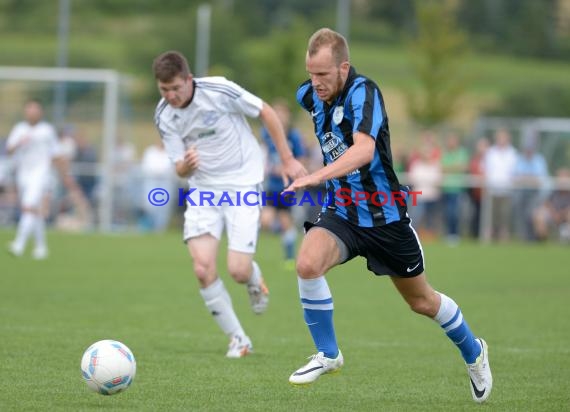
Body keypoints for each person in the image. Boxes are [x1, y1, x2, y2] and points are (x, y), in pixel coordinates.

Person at [283, 28, 492, 403]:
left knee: (422, 302)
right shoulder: (309, 95)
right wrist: (288, 159)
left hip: (386, 219)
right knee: (307, 264)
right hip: (342, 213)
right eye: (311, 74)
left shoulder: (366, 92)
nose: (315, 84)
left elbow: (363, 151)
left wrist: (313, 176)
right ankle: (328, 354)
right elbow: (277, 113)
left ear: (343, 67)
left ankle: (474, 352)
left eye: (324, 75)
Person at [152, 51, 306, 358]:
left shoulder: (218, 90)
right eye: (163, 90)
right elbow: (177, 167)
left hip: (242, 183)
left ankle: (253, 278)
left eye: (175, 89)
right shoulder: (164, 115)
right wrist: (186, 167)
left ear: (188, 79)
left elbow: (266, 112)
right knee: (202, 268)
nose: (170, 96)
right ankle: (238, 339)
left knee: (237, 270)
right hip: (203, 191)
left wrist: (287, 159)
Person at [6, 100, 75, 259]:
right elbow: (8, 149)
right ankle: (41, 248)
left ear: (40, 113)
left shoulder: (47, 130)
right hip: (23, 174)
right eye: (30, 110)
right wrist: (18, 143)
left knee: (28, 207)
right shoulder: (19, 129)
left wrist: (65, 174)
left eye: (35, 110)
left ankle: (19, 244)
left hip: (41, 174)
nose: (32, 113)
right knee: (34, 211)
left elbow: (56, 154)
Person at [260, 99, 307, 266]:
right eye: (276, 114)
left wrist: (293, 172)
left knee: (285, 220)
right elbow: (264, 153)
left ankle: (289, 257)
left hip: (287, 186)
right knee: (265, 221)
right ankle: (289, 234)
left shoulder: (294, 135)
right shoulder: (266, 133)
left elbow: (301, 158)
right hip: (271, 185)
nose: (279, 118)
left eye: (282, 114)